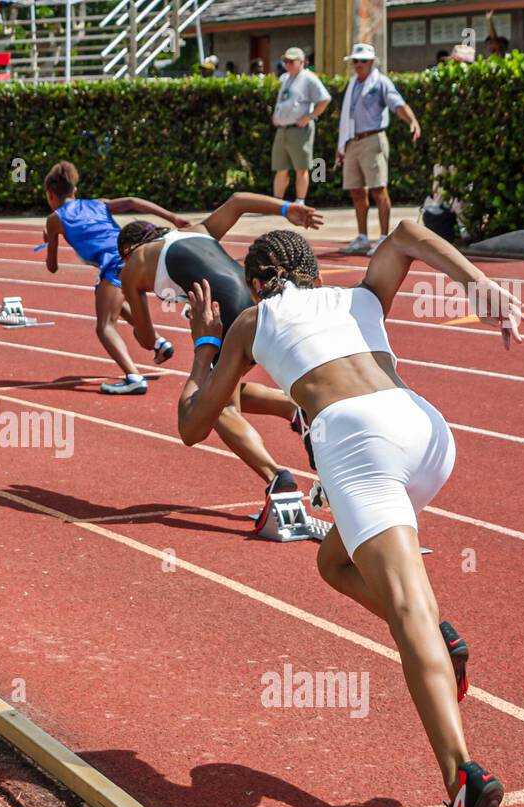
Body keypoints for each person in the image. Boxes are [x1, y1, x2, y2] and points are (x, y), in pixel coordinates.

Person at [175, 219, 523, 807]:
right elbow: (405, 233)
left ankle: (463, 783)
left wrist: (204, 343)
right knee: (333, 562)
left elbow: (195, 423)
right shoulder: (361, 297)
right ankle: (443, 641)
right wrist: (479, 283)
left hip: (360, 444)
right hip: (426, 431)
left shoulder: (251, 320)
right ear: (312, 269)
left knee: (407, 611)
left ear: (256, 281)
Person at [116, 192, 323, 508]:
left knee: (216, 407)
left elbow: (146, 338)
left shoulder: (133, 266)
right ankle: (292, 408)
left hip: (229, 319)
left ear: (129, 249)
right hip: (259, 305)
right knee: (227, 386)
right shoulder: (197, 230)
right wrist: (286, 208)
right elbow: (238, 201)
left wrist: (138, 326)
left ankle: (275, 476)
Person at [42, 161, 189, 395]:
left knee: (104, 327)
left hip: (114, 264)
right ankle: (159, 343)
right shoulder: (98, 204)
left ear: (50, 195)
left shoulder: (54, 220)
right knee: (112, 302)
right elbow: (131, 201)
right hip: (137, 256)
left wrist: (49, 237)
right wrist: (173, 217)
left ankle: (133, 376)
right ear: (75, 190)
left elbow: (52, 267)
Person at [335, 42, 421, 256]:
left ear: (372, 62)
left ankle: (383, 238)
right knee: (356, 191)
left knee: (378, 189)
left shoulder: (381, 82)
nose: (358, 64)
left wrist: (412, 121)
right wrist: (342, 145)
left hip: (373, 139)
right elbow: (347, 118)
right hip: (352, 142)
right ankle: (363, 237)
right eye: (355, 60)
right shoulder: (353, 83)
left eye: (363, 60)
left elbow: (397, 104)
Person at [271, 47, 331, 208]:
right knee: (280, 168)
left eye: (291, 61)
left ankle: (300, 201)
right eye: (286, 61)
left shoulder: (309, 78)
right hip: (283, 129)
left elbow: (324, 99)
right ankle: (277, 202)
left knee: (301, 167)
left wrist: (310, 116)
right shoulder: (285, 78)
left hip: (300, 130)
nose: (287, 64)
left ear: (302, 62)